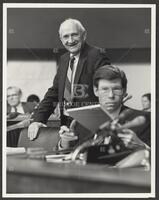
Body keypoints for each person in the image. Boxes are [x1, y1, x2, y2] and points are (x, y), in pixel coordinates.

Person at [28, 18, 110, 140]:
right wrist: (37, 120)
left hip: (90, 128)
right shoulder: (64, 59)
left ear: (84, 35)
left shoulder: (97, 55)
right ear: (61, 40)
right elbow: (54, 92)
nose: (70, 40)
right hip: (65, 125)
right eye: (66, 37)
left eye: (74, 35)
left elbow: (106, 91)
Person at [59, 65, 150, 151]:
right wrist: (65, 142)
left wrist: (141, 146)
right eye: (105, 89)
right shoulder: (81, 120)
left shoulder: (146, 119)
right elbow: (68, 156)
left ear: (124, 91)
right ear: (96, 91)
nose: (111, 95)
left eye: (116, 89)